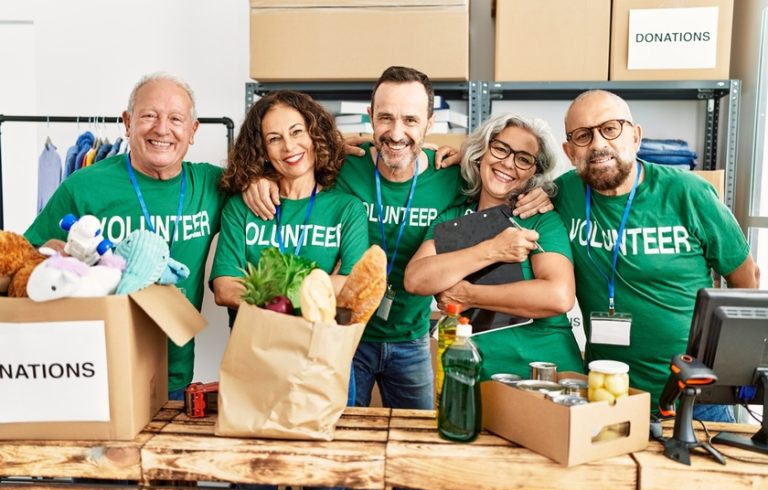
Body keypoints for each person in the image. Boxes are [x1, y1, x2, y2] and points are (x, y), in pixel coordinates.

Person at [245, 66, 470, 409]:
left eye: (411, 120)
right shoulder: (342, 163)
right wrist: (258, 179)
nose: (396, 133)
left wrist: (537, 194)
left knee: (415, 443)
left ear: (430, 123)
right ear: (370, 117)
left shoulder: (451, 177)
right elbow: (289, 161)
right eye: (385, 118)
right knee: (339, 435)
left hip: (411, 339)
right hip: (344, 334)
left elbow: (507, 186)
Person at [555, 89, 760, 418]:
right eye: (583, 135)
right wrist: (442, 156)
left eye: (610, 128)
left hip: (695, 397)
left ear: (635, 136)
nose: (597, 144)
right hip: (608, 396)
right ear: (569, 151)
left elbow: (746, 279)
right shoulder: (562, 193)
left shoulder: (687, 193)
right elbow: (499, 185)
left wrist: (731, 367)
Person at [24, 73, 228, 400]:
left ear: (193, 131)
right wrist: (63, 254)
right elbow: (29, 256)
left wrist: (262, 183)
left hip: (174, 377)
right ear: (127, 122)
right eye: (148, 115)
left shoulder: (212, 185)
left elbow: (275, 183)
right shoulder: (84, 185)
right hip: (96, 372)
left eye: (176, 118)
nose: (162, 128)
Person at [209, 91, 370, 403]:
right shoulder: (241, 209)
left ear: (314, 135)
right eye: (274, 138)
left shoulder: (347, 209)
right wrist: (319, 287)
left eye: (297, 132)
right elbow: (225, 289)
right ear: (262, 150)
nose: (289, 147)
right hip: (256, 364)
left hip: (323, 363)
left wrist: (263, 294)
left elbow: (351, 285)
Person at [403, 113, 583, 379]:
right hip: (476, 375)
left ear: (534, 171)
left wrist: (469, 294)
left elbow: (558, 295)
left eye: (523, 158)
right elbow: (416, 279)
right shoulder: (451, 219)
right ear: (481, 152)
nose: (509, 163)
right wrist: (492, 250)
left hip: (544, 373)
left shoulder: (541, 220)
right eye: (500, 149)